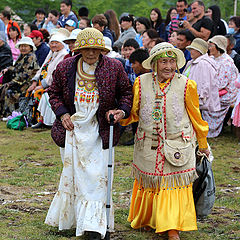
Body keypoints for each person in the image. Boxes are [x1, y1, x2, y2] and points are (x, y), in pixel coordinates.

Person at [44, 28, 133, 239]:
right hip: (72, 129)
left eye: (95, 49)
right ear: (79, 49)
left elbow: (127, 93)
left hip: (100, 129)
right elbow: (53, 93)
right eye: (86, 49)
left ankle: (94, 225)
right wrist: (62, 113)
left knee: (97, 176)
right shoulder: (66, 67)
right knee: (75, 175)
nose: (91, 53)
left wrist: (120, 110)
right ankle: (76, 220)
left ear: (102, 50)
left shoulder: (114, 67)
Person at [120, 42, 209, 240]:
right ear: (154, 64)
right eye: (163, 62)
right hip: (148, 144)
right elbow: (133, 113)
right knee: (151, 181)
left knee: (172, 184)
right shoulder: (140, 82)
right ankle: (151, 219)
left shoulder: (186, 85)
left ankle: (172, 228)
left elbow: (196, 117)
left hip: (178, 145)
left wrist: (202, 144)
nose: (168, 66)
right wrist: (120, 116)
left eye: (172, 62)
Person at [27, 30, 68, 128]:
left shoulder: (63, 55)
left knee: (39, 93)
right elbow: (42, 68)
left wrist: (42, 86)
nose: (53, 45)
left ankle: (41, 119)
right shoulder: (51, 53)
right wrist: (34, 81)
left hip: (52, 85)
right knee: (30, 91)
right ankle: (32, 118)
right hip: (42, 82)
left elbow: (54, 74)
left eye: (56, 43)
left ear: (62, 44)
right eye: (52, 43)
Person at [202, 35, 238, 137]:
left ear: (219, 47)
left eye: (211, 46)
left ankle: (207, 129)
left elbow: (221, 84)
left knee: (205, 100)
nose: (209, 48)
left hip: (227, 93)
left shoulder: (226, 62)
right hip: (218, 91)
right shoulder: (215, 58)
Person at [0, 37, 39, 115]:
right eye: (21, 46)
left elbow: (25, 75)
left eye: (25, 46)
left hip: (26, 84)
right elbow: (16, 67)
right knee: (3, 88)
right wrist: (8, 69)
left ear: (30, 48)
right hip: (18, 82)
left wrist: (11, 83)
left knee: (9, 90)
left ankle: (10, 113)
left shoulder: (30, 57)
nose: (23, 48)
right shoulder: (22, 56)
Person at [183, 38, 220, 112]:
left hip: (198, 104)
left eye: (193, 49)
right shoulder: (192, 62)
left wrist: (199, 99)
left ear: (199, 51)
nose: (190, 52)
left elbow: (204, 84)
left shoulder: (203, 64)